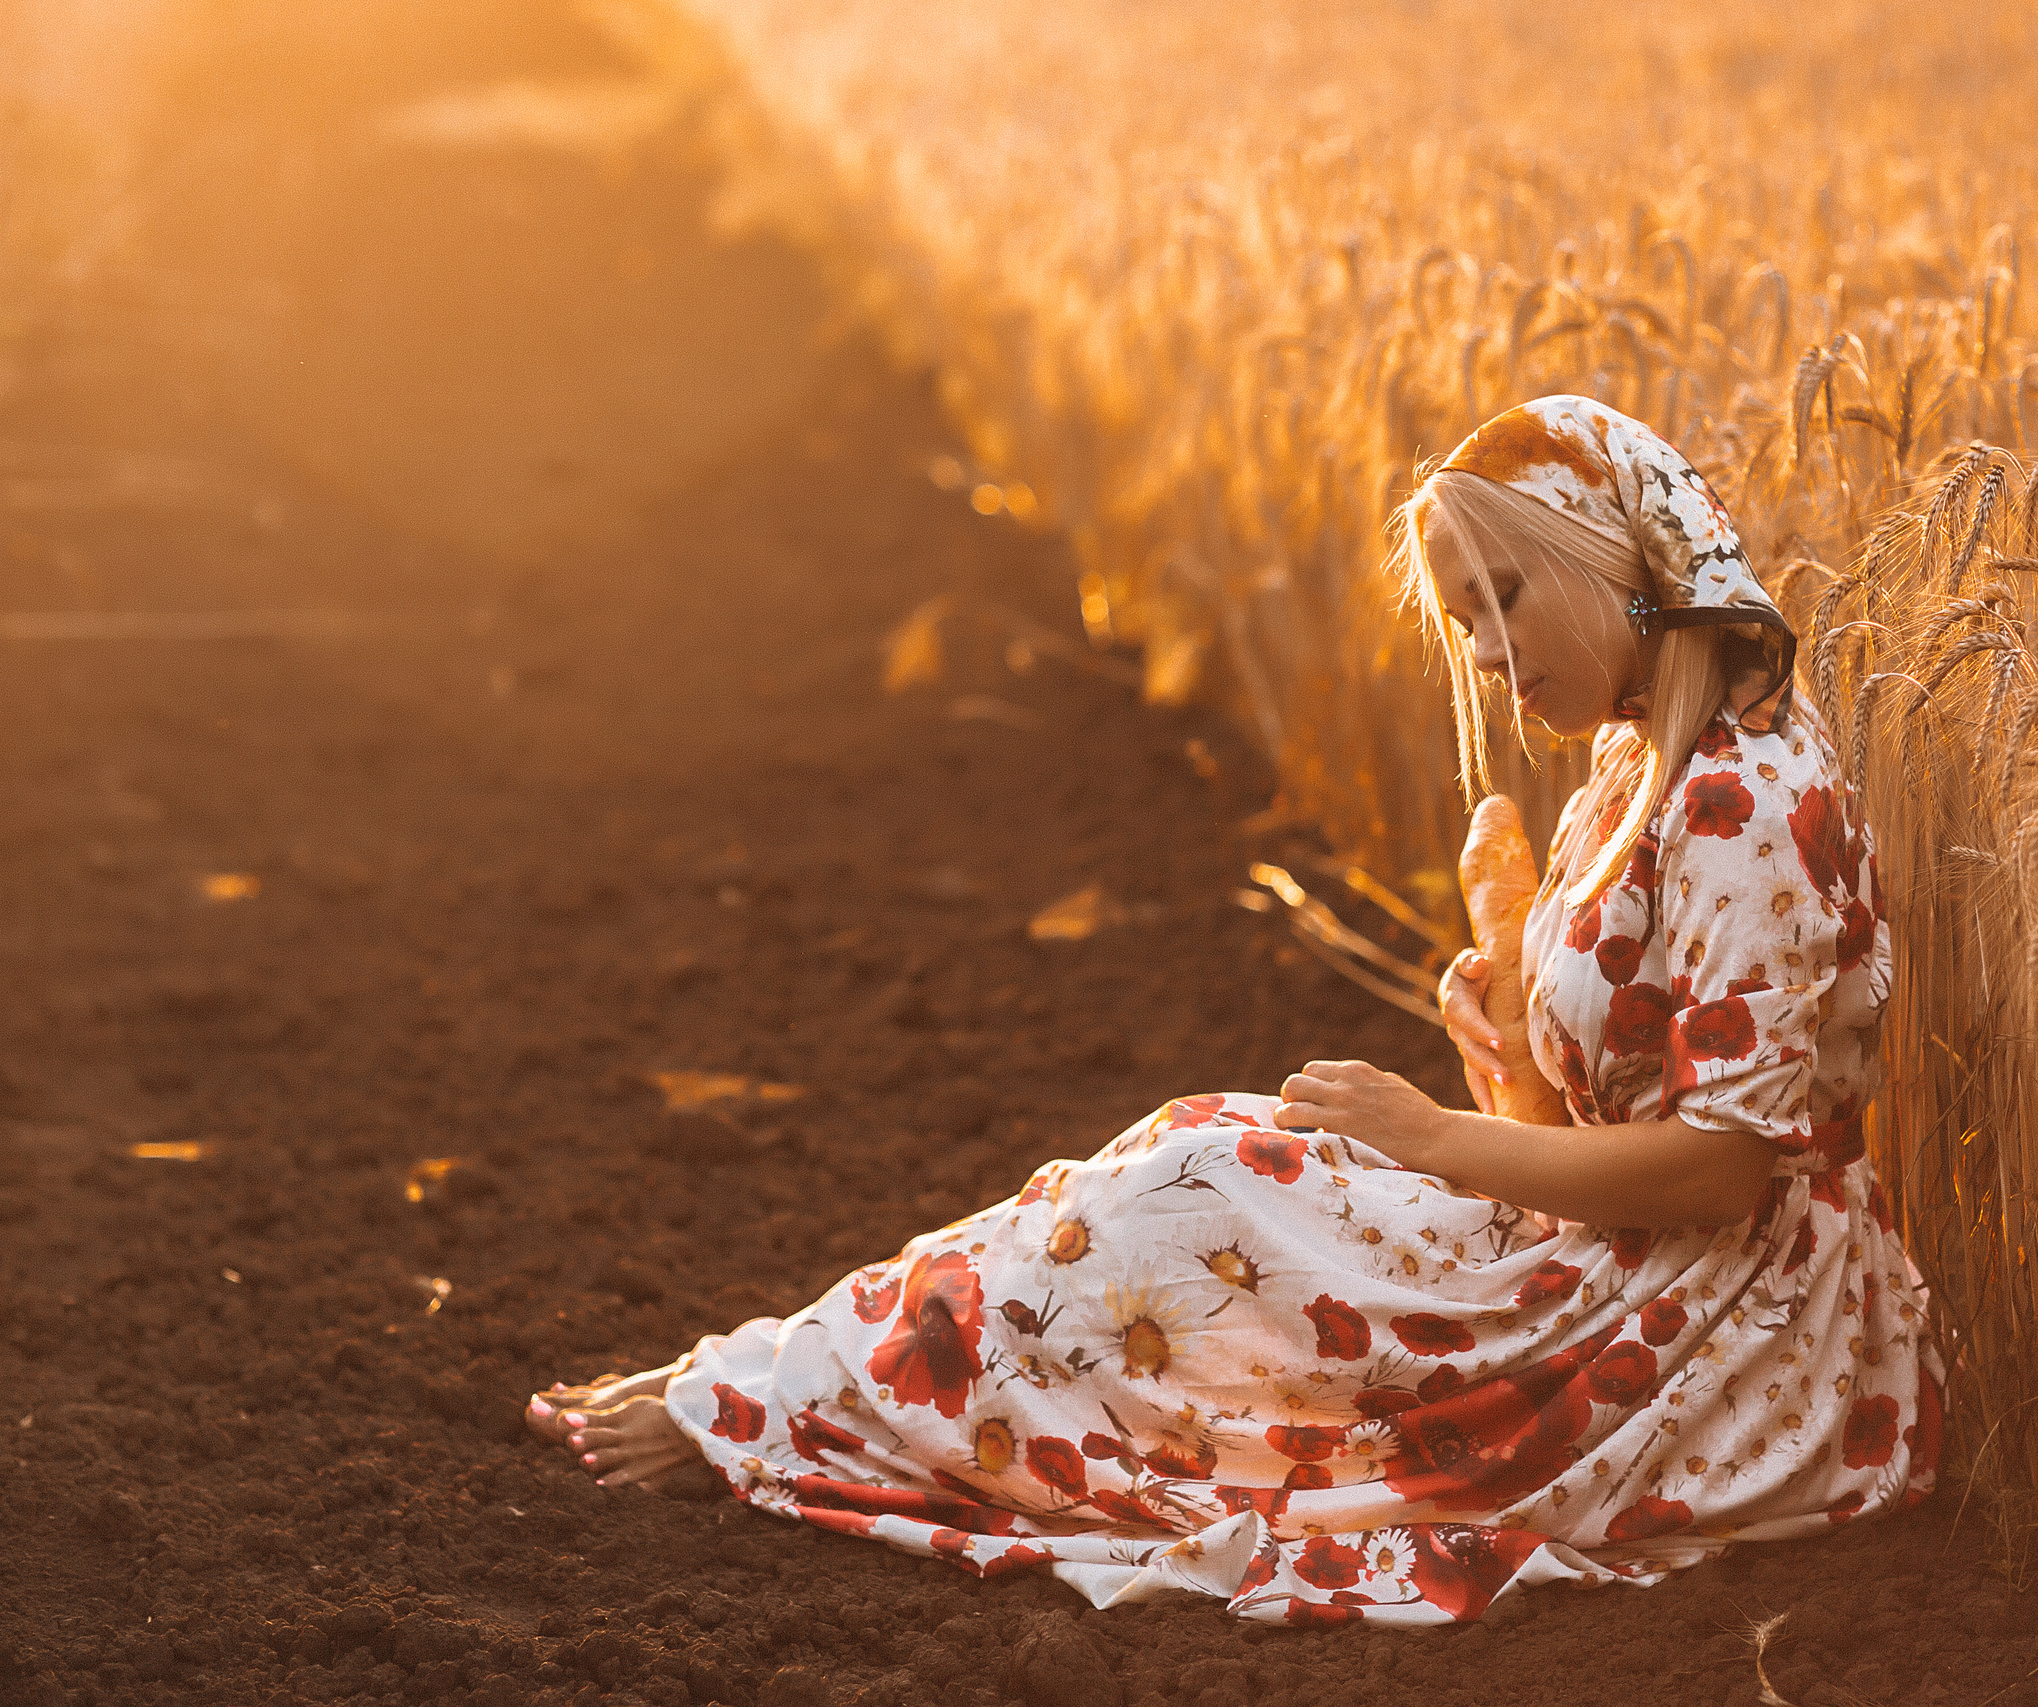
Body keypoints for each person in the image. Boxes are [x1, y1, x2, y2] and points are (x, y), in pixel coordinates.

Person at [523, 395, 1943, 1626]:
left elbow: (1723, 1169)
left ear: (1615, 559)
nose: (1491, 657)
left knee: (1196, 1196)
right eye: (1465, 622)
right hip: (1632, 1276)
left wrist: (1436, 1138)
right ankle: (780, 1392)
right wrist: (1497, 1057)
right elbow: (1596, 1139)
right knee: (1185, 1169)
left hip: (1733, 1348)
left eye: (1506, 598)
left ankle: (778, 1407)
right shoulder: (1634, 773)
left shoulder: (1746, 798)